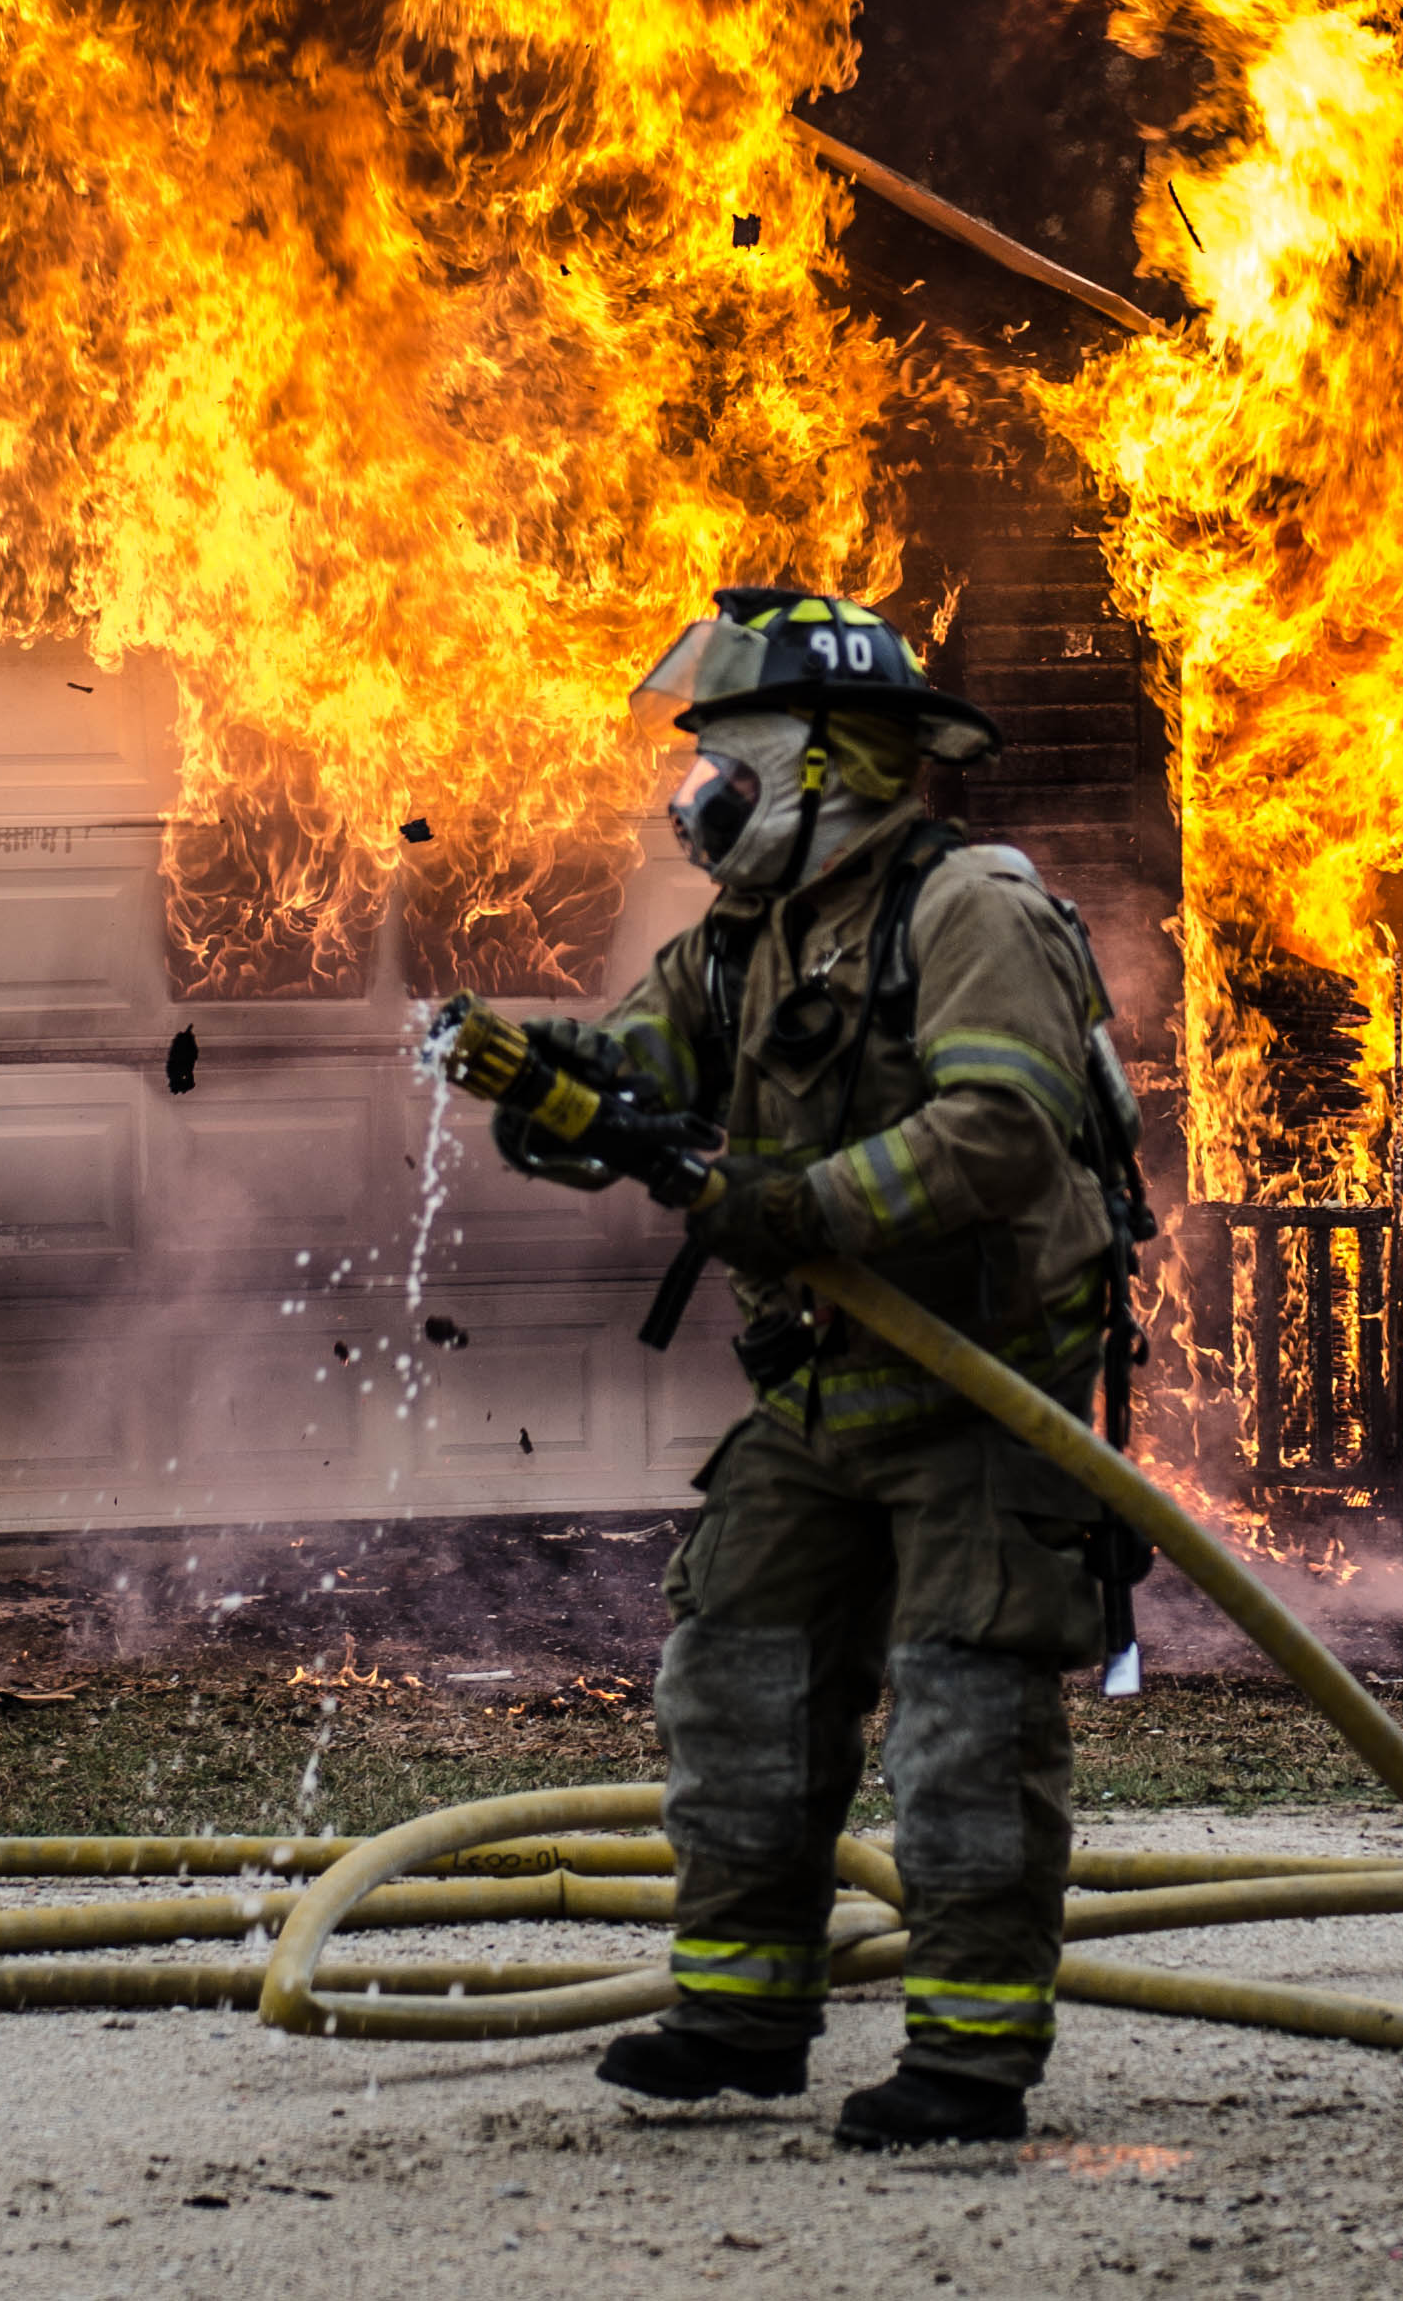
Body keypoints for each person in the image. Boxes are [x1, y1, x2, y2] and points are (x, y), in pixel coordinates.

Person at [496, 586, 1132, 2150]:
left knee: (962, 1723)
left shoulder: (968, 908)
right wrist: (553, 1091)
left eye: (728, 758)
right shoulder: (744, 936)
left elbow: (998, 1133)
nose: (699, 792)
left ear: (826, 761)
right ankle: (739, 2014)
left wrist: (793, 1207)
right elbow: (639, 1069)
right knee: (737, 1676)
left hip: (979, 1386)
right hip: (816, 1385)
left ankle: (969, 2058)